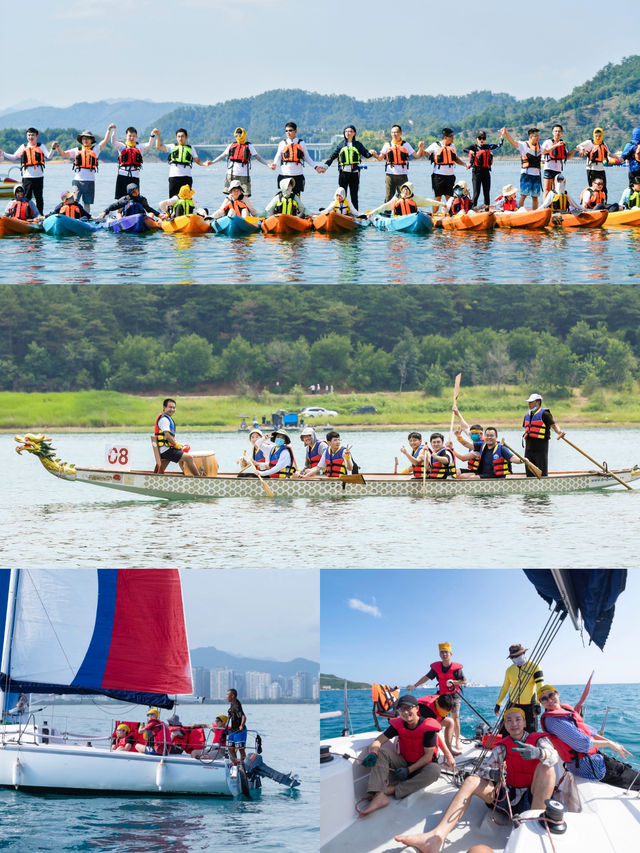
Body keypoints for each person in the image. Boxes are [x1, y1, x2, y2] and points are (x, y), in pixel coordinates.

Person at [395, 708, 558, 853]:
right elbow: (482, 770)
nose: (513, 723)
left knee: (547, 769)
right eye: (508, 720)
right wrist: (494, 773)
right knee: (472, 780)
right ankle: (436, 837)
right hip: (505, 797)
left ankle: (532, 833)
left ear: (524, 723)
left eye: (517, 719)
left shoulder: (538, 741)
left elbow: (554, 756)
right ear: (505, 725)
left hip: (531, 800)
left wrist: (539, 753)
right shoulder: (502, 747)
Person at [538, 684, 640, 790]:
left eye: (551, 695)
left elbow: (590, 732)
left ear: (557, 694)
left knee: (627, 770)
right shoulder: (554, 721)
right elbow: (581, 743)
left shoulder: (564, 710)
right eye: (544, 699)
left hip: (591, 758)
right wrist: (609, 744)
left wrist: (612, 743)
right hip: (588, 766)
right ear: (542, 704)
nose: (549, 700)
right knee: (634, 778)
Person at [358, 694, 442, 817]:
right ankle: (378, 794)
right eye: (401, 709)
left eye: (409, 708)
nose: (405, 712)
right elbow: (378, 741)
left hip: (423, 767)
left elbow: (427, 757)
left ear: (417, 709)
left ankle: (390, 790)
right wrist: (373, 752)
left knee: (435, 770)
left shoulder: (428, 728)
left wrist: (408, 770)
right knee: (381, 752)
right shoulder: (398, 725)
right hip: (404, 762)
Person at [406, 642, 466, 753]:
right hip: (441, 696)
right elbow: (426, 677)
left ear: (451, 654)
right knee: (439, 717)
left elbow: (464, 681)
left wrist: (454, 681)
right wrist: (415, 685)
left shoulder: (457, 668)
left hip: (454, 696)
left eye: (446, 652)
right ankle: (439, 739)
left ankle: (457, 741)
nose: (444, 654)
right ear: (439, 654)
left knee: (455, 718)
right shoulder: (436, 667)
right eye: (442, 652)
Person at [53, 127, 113, 212]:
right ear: (81, 140)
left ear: (91, 140)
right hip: (77, 181)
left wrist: (109, 130)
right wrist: (58, 147)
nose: (85, 140)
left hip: (89, 181)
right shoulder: (77, 150)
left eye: (87, 138)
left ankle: (86, 219)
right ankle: (72, 217)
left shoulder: (95, 149)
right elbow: (63, 153)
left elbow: (105, 141)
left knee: (87, 203)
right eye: (84, 138)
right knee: (73, 201)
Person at [0, 127, 55, 214]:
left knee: (39, 198)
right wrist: (3, 153)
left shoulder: (41, 146)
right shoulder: (23, 147)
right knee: (26, 198)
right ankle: (26, 214)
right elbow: (14, 157)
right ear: (27, 136)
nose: (30, 137)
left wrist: (53, 148)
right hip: (27, 177)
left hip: (38, 177)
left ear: (36, 136)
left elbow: (49, 156)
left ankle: (39, 214)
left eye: (32, 135)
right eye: (29, 135)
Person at [494, 643, 545, 732]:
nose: (516, 658)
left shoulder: (535, 666)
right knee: (504, 731)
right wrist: (498, 703)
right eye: (513, 657)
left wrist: (538, 704)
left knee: (531, 732)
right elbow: (505, 688)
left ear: (523, 653)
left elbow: (540, 686)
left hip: (530, 705)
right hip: (512, 703)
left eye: (518, 655)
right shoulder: (509, 670)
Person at [208, 127, 270, 197]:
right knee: (230, 196)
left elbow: (258, 157)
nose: (238, 137)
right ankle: (230, 207)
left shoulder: (249, 146)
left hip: (244, 175)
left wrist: (268, 164)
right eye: (236, 136)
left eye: (240, 135)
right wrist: (212, 162)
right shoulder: (231, 145)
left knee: (245, 196)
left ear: (243, 135)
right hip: (231, 174)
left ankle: (243, 207)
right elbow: (222, 156)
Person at [324, 125, 376, 209]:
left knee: (354, 196)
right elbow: (333, 156)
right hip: (343, 173)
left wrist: (371, 152)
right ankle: (341, 211)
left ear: (354, 133)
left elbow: (366, 154)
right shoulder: (341, 145)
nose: (348, 133)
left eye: (350, 131)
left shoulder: (358, 145)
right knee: (341, 194)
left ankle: (355, 214)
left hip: (354, 174)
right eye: (346, 131)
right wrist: (325, 166)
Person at [270, 121, 326, 196]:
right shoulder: (282, 143)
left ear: (295, 131)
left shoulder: (301, 143)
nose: (288, 132)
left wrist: (316, 167)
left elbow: (307, 157)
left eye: (290, 130)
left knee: (297, 197)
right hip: (284, 174)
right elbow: (278, 156)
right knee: (284, 197)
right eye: (286, 131)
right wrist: (274, 164)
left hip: (297, 175)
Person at [153, 127, 211, 197]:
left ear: (186, 137)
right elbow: (158, 146)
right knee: (173, 200)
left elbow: (198, 161)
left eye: (182, 136)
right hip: (174, 177)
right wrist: (158, 135)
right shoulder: (172, 147)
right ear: (176, 138)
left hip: (186, 178)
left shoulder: (191, 148)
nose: (180, 138)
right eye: (178, 136)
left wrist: (205, 163)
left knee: (186, 199)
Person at [372, 125, 423, 202]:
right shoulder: (387, 145)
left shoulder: (406, 145)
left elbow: (417, 156)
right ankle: (387, 213)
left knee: (404, 196)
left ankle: (404, 212)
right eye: (392, 132)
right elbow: (380, 158)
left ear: (400, 133)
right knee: (389, 196)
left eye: (396, 132)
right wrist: (375, 154)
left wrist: (420, 148)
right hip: (390, 175)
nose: (394, 134)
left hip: (402, 175)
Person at [154, 397, 203, 477]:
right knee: (189, 458)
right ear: (164, 407)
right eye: (170, 407)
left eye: (174, 407)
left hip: (166, 449)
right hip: (166, 451)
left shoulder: (166, 418)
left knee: (183, 455)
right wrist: (177, 445)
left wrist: (179, 445)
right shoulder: (164, 420)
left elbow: (170, 439)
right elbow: (168, 437)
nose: (172, 409)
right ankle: (198, 478)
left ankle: (186, 475)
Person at [522, 393, 565, 477]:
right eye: (529, 402)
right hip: (529, 448)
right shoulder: (527, 414)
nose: (529, 404)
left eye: (531, 402)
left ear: (538, 403)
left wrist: (559, 432)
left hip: (540, 448)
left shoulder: (545, 414)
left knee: (541, 470)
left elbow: (554, 425)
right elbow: (526, 428)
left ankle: (543, 482)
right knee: (529, 470)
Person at [456, 426, 523, 479]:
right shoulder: (482, 445)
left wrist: (521, 460)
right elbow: (466, 444)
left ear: (496, 437)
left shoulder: (502, 448)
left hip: (495, 476)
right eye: (487, 436)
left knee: (472, 478)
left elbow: (512, 458)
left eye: (491, 436)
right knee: (462, 476)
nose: (489, 437)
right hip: (483, 474)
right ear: (484, 437)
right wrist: (459, 437)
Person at [502, 127, 542, 209]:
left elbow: (548, 150)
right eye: (536, 136)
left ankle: (535, 213)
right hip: (526, 174)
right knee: (524, 195)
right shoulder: (523, 145)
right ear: (531, 136)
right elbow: (512, 142)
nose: (538, 138)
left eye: (538, 136)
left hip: (537, 175)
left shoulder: (539, 147)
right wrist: (506, 133)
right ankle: (520, 212)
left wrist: (556, 145)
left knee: (535, 197)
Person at [424, 128, 466, 206]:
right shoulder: (435, 145)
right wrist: (420, 148)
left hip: (450, 176)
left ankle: (450, 215)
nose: (453, 138)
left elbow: (456, 159)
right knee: (438, 198)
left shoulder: (453, 146)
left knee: (449, 198)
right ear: (445, 137)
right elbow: (424, 153)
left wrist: (464, 164)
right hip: (438, 176)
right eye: (451, 136)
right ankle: (434, 214)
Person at [463, 131, 504, 208]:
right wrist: (470, 151)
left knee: (486, 192)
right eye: (480, 138)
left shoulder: (487, 146)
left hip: (486, 172)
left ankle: (487, 209)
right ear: (476, 139)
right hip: (476, 172)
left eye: (483, 138)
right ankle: (473, 208)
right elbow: (465, 149)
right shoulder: (473, 147)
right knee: (476, 192)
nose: (482, 140)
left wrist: (502, 136)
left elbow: (499, 145)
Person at [417, 692, 458, 758]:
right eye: (445, 711)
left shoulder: (444, 703)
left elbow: (442, 716)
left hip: (433, 716)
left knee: (450, 722)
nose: (447, 713)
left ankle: (449, 749)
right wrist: (447, 755)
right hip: (419, 720)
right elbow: (435, 733)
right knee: (432, 735)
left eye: (448, 711)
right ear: (438, 705)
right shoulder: (427, 709)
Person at [367, 181, 440, 218]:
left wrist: (442, 204)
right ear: (401, 190)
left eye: (407, 190)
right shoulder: (397, 198)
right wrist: (372, 212)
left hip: (412, 218)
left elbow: (428, 201)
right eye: (404, 189)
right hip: (398, 218)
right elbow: (384, 206)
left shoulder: (415, 198)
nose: (405, 192)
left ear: (410, 191)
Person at [540, 124, 576, 196]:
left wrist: (575, 150)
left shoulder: (563, 143)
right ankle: (545, 206)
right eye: (555, 131)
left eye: (559, 131)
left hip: (558, 169)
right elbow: (543, 151)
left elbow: (567, 156)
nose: (557, 133)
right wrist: (555, 145)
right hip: (549, 168)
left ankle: (554, 206)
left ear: (561, 133)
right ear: (552, 132)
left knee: (557, 189)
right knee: (547, 189)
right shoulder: (548, 142)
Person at [577, 127, 610, 195]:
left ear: (602, 135)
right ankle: (592, 203)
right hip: (591, 168)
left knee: (604, 188)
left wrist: (618, 158)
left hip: (601, 169)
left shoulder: (603, 144)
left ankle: (603, 203)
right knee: (593, 188)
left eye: (599, 136)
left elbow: (609, 154)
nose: (598, 137)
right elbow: (578, 146)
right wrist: (582, 148)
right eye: (596, 136)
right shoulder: (589, 142)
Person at [226, 689, 247, 764]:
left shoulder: (237, 705)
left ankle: (242, 765)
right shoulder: (232, 703)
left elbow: (244, 717)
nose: (226, 696)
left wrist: (241, 725)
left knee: (241, 749)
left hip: (239, 731)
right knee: (230, 748)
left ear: (232, 696)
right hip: (233, 730)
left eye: (227, 695)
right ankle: (235, 763)